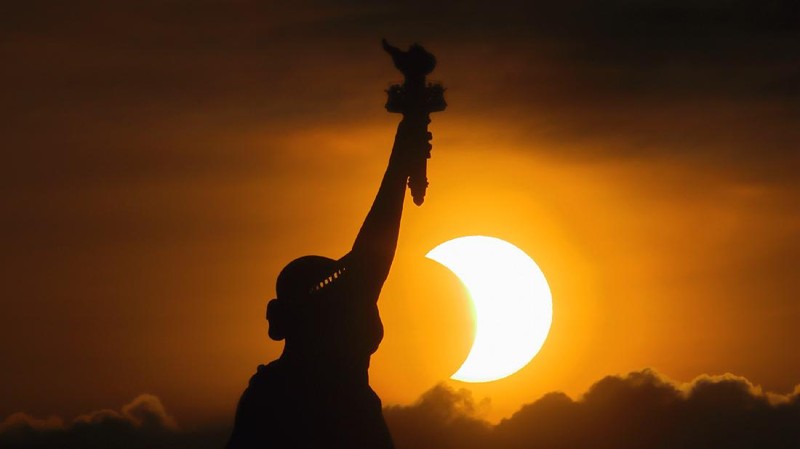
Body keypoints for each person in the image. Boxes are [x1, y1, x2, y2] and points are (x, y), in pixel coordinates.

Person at [227, 116, 430, 449]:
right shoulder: (307, 385)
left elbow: (368, 258)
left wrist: (401, 158)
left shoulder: (267, 390)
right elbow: (371, 254)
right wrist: (399, 164)